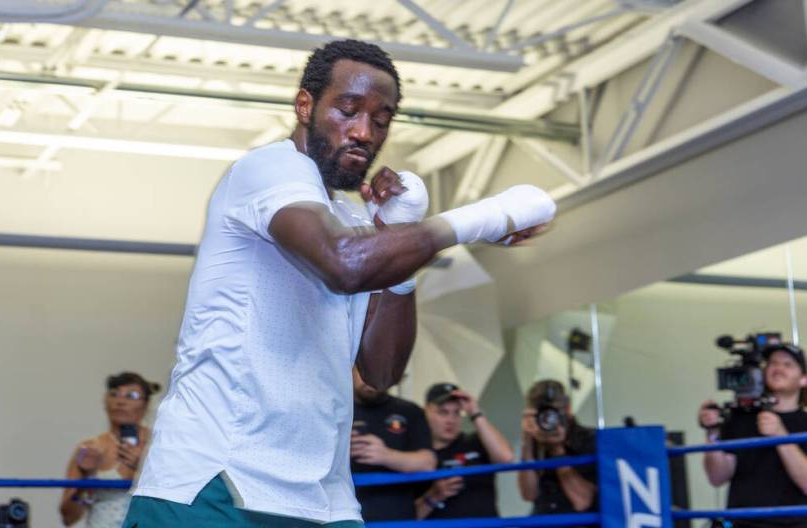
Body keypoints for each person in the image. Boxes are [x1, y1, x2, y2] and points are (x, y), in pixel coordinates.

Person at [125, 38, 555, 527]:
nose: (363, 132)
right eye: (348, 110)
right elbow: (343, 263)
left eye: (381, 119)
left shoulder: (351, 218)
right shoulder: (270, 169)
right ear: (305, 105)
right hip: (216, 482)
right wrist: (481, 219)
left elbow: (379, 372)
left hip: (324, 498)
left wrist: (396, 243)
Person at [700, 344, 807, 528]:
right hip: (741, 523)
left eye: (788, 364)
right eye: (773, 363)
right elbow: (717, 477)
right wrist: (713, 432)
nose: (778, 368)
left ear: (804, 379)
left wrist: (779, 434)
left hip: (793, 524)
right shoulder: (740, 418)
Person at [60, 372, 158, 528]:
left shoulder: (160, 444)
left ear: (146, 405)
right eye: (114, 394)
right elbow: (68, 518)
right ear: (105, 401)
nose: (120, 401)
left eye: (131, 396)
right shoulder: (90, 448)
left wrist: (143, 467)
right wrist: (86, 480)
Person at [416, 382, 514, 520]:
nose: (451, 420)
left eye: (457, 413)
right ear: (425, 412)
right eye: (443, 412)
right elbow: (405, 518)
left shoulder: (476, 441)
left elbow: (506, 458)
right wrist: (434, 496)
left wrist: (475, 413)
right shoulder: (415, 457)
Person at [350, 368, 435, 521]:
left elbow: (428, 463)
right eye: (363, 370)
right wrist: (340, 449)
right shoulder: (335, 410)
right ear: (351, 370)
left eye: (378, 369)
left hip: (397, 516)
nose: (370, 378)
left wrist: (386, 455)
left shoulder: (410, 411)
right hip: (344, 515)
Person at [517, 380, 597, 517]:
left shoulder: (590, 439)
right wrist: (527, 442)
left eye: (553, 412)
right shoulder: (536, 441)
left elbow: (582, 501)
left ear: (568, 409)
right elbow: (528, 494)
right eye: (542, 413)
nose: (548, 419)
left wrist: (557, 451)